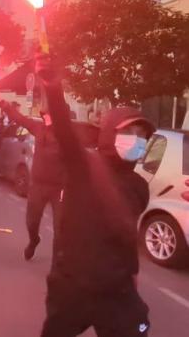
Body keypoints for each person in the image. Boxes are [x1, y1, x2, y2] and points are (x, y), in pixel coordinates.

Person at [36, 55, 152, 337]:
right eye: (129, 132)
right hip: (72, 288)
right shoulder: (83, 167)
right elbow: (64, 130)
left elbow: (128, 237)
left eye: (142, 134)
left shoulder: (139, 186)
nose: (137, 139)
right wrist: (53, 86)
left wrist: (133, 276)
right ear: (110, 134)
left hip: (117, 292)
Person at [0, 90, 66, 261]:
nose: (45, 117)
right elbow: (19, 118)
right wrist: (1, 101)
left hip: (59, 187)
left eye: (48, 115)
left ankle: (58, 262)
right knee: (32, 221)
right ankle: (34, 240)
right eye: (44, 115)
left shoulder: (65, 136)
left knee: (60, 227)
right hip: (38, 185)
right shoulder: (38, 128)